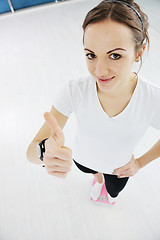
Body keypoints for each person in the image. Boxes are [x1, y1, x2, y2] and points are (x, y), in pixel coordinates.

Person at [26, 0, 160, 205]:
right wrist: (44, 151)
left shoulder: (153, 99)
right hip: (83, 159)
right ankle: (97, 178)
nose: (99, 72)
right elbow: (31, 152)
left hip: (119, 169)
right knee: (93, 173)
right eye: (91, 55)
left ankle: (105, 186)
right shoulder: (74, 90)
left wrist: (140, 163)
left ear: (138, 53)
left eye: (115, 56)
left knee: (113, 192)